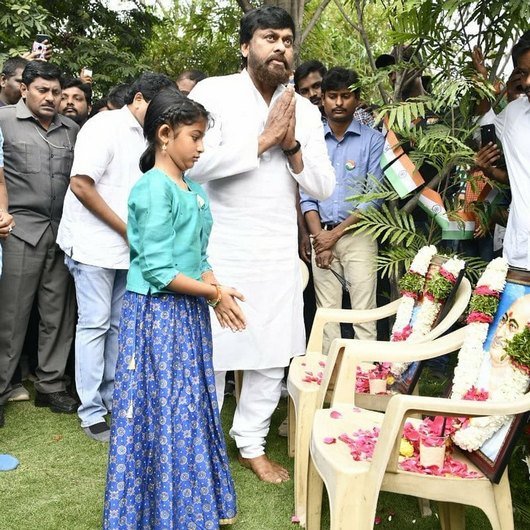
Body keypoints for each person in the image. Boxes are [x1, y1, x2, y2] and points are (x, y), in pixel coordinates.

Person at [188, 6, 335, 483]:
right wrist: (264, 139)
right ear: (245, 45)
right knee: (212, 351)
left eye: (288, 40)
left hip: (276, 249)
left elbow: (324, 186)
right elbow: (194, 164)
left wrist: (291, 146)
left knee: (273, 350)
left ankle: (251, 443)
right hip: (220, 245)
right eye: (269, 37)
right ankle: (204, 442)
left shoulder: (306, 109)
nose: (281, 47)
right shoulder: (214, 92)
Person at [104, 89, 242, 529]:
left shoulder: (192, 188)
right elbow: (161, 272)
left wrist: (216, 287)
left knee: (190, 406)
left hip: (187, 315)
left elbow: (197, 256)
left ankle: (188, 509)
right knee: (164, 411)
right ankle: (156, 514)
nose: (201, 147)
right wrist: (214, 296)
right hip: (158, 316)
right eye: (195, 137)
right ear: (165, 135)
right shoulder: (152, 189)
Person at [57, 72, 174, 442]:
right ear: (138, 99)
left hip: (130, 251)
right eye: (157, 110)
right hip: (93, 245)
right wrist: (126, 230)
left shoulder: (150, 135)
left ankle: (112, 399)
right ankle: (90, 410)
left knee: (119, 326)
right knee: (94, 324)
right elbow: (80, 184)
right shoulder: (103, 127)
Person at [0, 61, 79, 426]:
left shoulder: (71, 131)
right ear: (24, 89)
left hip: (61, 232)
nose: (51, 98)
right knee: (11, 317)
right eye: (43, 90)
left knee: (57, 314)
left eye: (56, 92)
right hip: (19, 229)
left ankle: (50, 385)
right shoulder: (3, 122)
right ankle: (1, 389)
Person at [300, 67, 384, 352]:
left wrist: (332, 236)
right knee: (326, 315)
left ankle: (363, 381)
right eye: (332, 96)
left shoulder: (372, 140)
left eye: (345, 96)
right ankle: (328, 381)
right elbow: (306, 195)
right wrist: (319, 240)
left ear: (357, 100)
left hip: (359, 235)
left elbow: (372, 198)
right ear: (322, 99)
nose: (338, 103)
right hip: (319, 234)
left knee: (363, 312)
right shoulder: (312, 140)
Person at [475, 31, 530, 271]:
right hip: (520, 255)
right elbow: (484, 127)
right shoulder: (515, 113)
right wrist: (482, 81)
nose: (527, 82)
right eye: (524, 73)